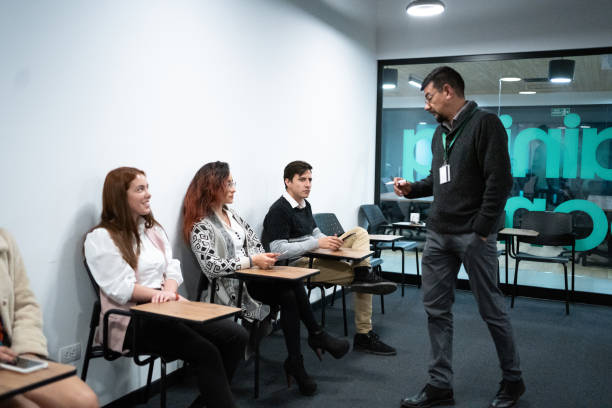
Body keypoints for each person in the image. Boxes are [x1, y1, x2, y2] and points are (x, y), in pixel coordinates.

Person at [393, 66, 524, 408]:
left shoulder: (485, 125)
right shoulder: (440, 134)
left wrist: (482, 229)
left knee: (491, 309)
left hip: (473, 236)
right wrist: (411, 190)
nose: (426, 105)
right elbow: (438, 180)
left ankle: (513, 381)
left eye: (429, 96)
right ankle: (440, 385)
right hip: (439, 234)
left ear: (448, 91)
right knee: (436, 311)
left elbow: (500, 181)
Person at [84, 167, 247, 408]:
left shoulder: (153, 229)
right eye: (140, 189)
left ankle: (206, 402)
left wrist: (169, 293)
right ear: (120, 196)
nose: (148, 194)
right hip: (132, 319)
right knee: (206, 352)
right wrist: (162, 295)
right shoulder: (101, 238)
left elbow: (172, 267)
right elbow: (120, 287)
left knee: (237, 335)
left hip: (167, 309)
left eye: (147, 187)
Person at [183, 161, 349, 396]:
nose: (234, 188)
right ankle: (313, 340)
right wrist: (253, 261)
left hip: (251, 281)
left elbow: (256, 245)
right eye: (229, 183)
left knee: (290, 290)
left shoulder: (233, 216)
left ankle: (298, 360)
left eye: (233, 183)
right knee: (291, 289)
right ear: (213, 187)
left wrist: (263, 257)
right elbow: (211, 267)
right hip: (229, 288)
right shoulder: (201, 225)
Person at [261, 160, 397, 356]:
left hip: (316, 254)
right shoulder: (279, 210)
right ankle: (364, 335)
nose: (308, 184)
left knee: (359, 232)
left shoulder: (304, 204)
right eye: (302, 180)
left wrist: (329, 241)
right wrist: (317, 244)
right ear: (287, 181)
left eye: (310, 179)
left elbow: (315, 232)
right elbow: (278, 250)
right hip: (299, 265)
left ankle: (362, 272)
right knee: (363, 282)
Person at [0, 228, 99, 408]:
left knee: (86, 401)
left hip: (12, 355)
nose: (148, 197)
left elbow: (25, 304)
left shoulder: (4, 239)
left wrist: (27, 350)